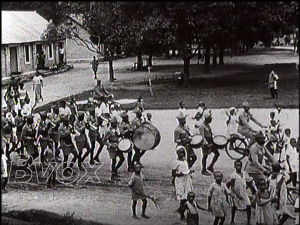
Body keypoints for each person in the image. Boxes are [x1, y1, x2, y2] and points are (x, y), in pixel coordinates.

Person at [172, 146, 194, 221]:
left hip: (186, 180)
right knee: (182, 198)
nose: (182, 154)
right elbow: (173, 174)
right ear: (177, 153)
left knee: (188, 197)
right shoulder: (175, 162)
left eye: (183, 153)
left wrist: (189, 172)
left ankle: (182, 211)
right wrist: (181, 173)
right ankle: (182, 215)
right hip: (180, 181)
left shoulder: (185, 161)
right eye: (180, 153)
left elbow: (186, 169)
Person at [228, 160, 252, 225]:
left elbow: (247, 181)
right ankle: (232, 220)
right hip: (236, 192)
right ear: (234, 166)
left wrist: (245, 188)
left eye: (240, 165)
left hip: (243, 192)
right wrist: (237, 194)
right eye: (237, 165)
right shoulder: (233, 175)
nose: (239, 167)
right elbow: (232, 186)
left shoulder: (244, 173)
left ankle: (248, 220)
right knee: (234, 206)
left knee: (249, 205)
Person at [103, 116, 125, 180]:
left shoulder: (117, 129)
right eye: (115, 123)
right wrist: (109, 145)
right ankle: (113, 174)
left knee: (122, 159)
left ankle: (115, 170)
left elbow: (120, 135)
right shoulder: (108, 131)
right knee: (114, 160)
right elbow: (104, 140)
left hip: (118, 146)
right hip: (112, 147)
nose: (116, 124)